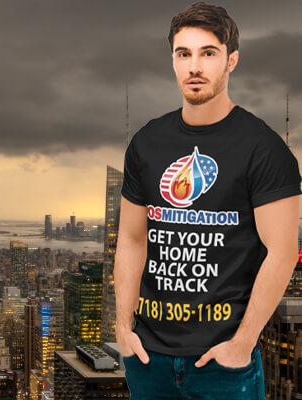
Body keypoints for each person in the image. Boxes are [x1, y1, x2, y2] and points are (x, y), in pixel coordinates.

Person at [115, 2, 301, 399]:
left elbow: (283, 251)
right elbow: (132, 239)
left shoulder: (264, 149)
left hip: (223, 364)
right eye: (184, 54)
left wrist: (243, 342)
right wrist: (122, 328)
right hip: (148, 360)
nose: (194, 66)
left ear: (231, 60)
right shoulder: (146, 143)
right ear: (173, 61)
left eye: (208, 53)